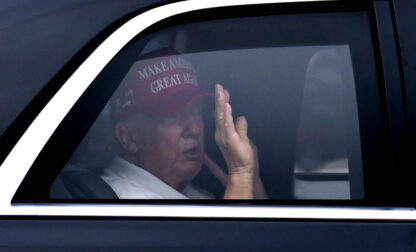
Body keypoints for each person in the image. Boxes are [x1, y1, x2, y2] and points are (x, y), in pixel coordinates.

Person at [101, 50, 267, 199]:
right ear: (128, 137)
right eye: (173, 116)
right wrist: (240, 173)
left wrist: (251, 180)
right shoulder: (132, 203)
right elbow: (233, 234)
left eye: (197, 113)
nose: (194, 129)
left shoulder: (179, 190)